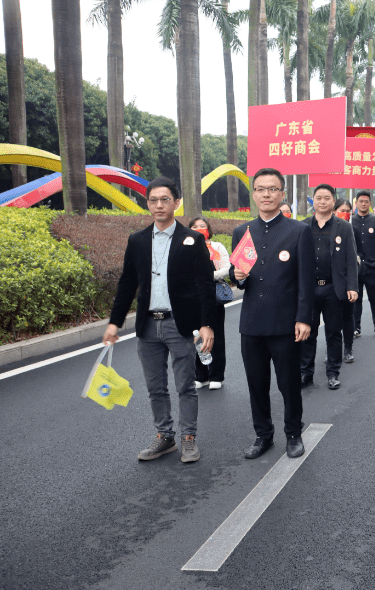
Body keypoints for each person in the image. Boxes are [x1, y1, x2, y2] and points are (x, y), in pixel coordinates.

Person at [103, 176, 216, 463]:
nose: (159, 205)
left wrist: (206, 324)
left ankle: (188, 437)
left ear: (177, 203)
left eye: (165, 199)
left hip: (179, 324)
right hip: (147, 327)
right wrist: (114, 323)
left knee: (185, 385)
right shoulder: (138, 240)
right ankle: (164, 436)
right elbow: (127, 284)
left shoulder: (192, 240)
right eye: (153, 200)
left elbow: (205, 284)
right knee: (155, 387)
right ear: (148, 204)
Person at [231, 168, 315, 460]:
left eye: (272, 189)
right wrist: (236, 275)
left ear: (282, 194)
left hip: (286, 323)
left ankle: (293, 434)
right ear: (253, 194)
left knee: (289, 383)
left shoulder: (299, 231)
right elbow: (238, 276)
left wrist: (304, 318)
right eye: (260, 189)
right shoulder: (242, 232)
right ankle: (263, 435)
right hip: (251, 322)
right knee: (256, 384)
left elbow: (306, 280)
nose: (266, 194)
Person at [300, 184, 359, 391]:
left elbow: (351, 259)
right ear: (313, 201)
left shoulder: (344, 227)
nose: (323, 201)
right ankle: (305, 373)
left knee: (334, 333)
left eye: (327, 198)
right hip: (309, 289)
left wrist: (352, 286)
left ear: (333, 201)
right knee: (308, 332)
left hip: (334, 289)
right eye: (319, 198)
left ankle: (333, 373)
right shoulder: (303, 226)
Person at [189, 216, 230, 390]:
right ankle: (201, 375)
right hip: (192, 297)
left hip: (212, 295)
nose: (199, 229)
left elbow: (227, 267)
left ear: (208, 229)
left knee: (215, 335)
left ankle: (216, 375)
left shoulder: (217, 247)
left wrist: (209, 276)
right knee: (196, 335)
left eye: (202, 226)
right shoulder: (185, 247)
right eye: (195, 226)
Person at [351, 190, 375, 338]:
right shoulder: (350, 221)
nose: (364, 204)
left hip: (373, 267)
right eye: (361, 201)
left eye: (366, 201)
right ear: (357, 203)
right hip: (356, 267)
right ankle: (356, 327)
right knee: (356, 298)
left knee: (374, 297)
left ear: (370, 204)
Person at [334, 199, 357, 363]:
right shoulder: (328, 228)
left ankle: (348, 348)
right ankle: (332, 349)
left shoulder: (351, 228)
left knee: (347, 317)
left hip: (348, 280)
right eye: (342, 210)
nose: (345, 213)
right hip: (331, 283)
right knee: (332, 320)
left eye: (348, 210)